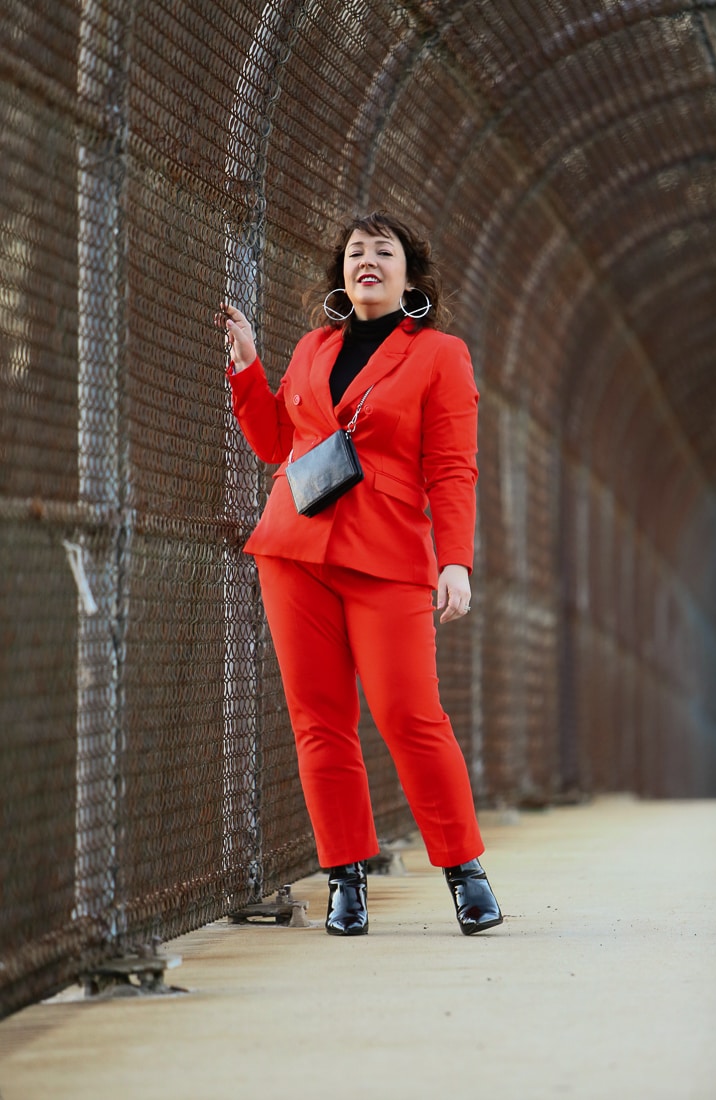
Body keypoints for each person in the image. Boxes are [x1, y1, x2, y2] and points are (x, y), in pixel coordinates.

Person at [218, 211, 502, 936]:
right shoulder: (313, 349)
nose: (366, 261)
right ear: (341, 275)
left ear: (411, 277)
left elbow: (451, 467)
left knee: (410, 714)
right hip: (293, 552)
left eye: (383, 252)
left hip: (387, 558)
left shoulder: (439, 355)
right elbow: (277, 442)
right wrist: (249, 367)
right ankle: (345, 879)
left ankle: (464, 872)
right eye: (355, 253)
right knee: (319, 721)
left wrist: (456, 562)